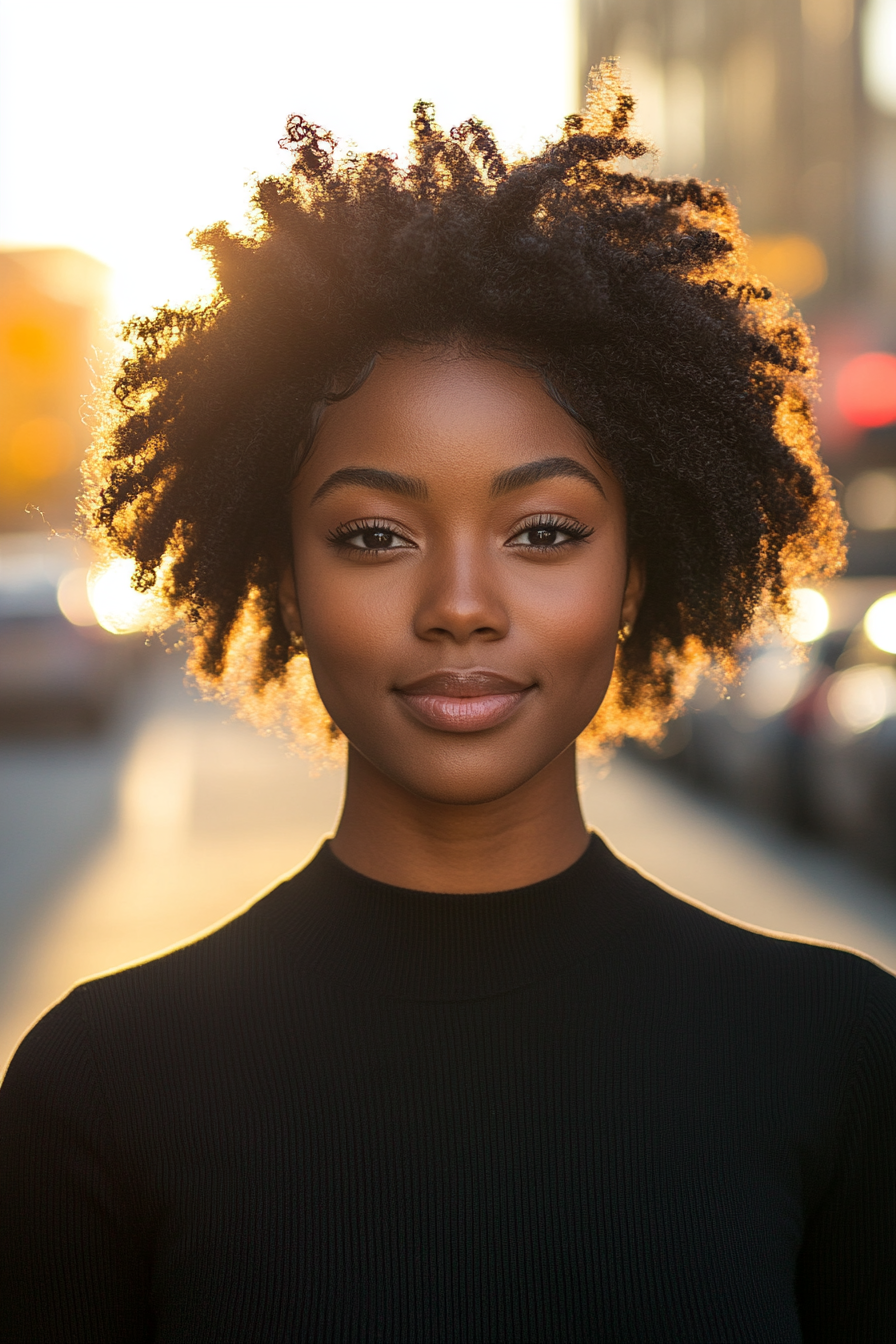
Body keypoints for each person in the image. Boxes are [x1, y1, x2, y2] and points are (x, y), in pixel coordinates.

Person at [1, 66, 894, 1343]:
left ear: (634, 572)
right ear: (287, 579)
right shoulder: (96, 1088)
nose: (461, 604)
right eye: (373, 535)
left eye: (541, 530)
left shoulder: (841, 1055)